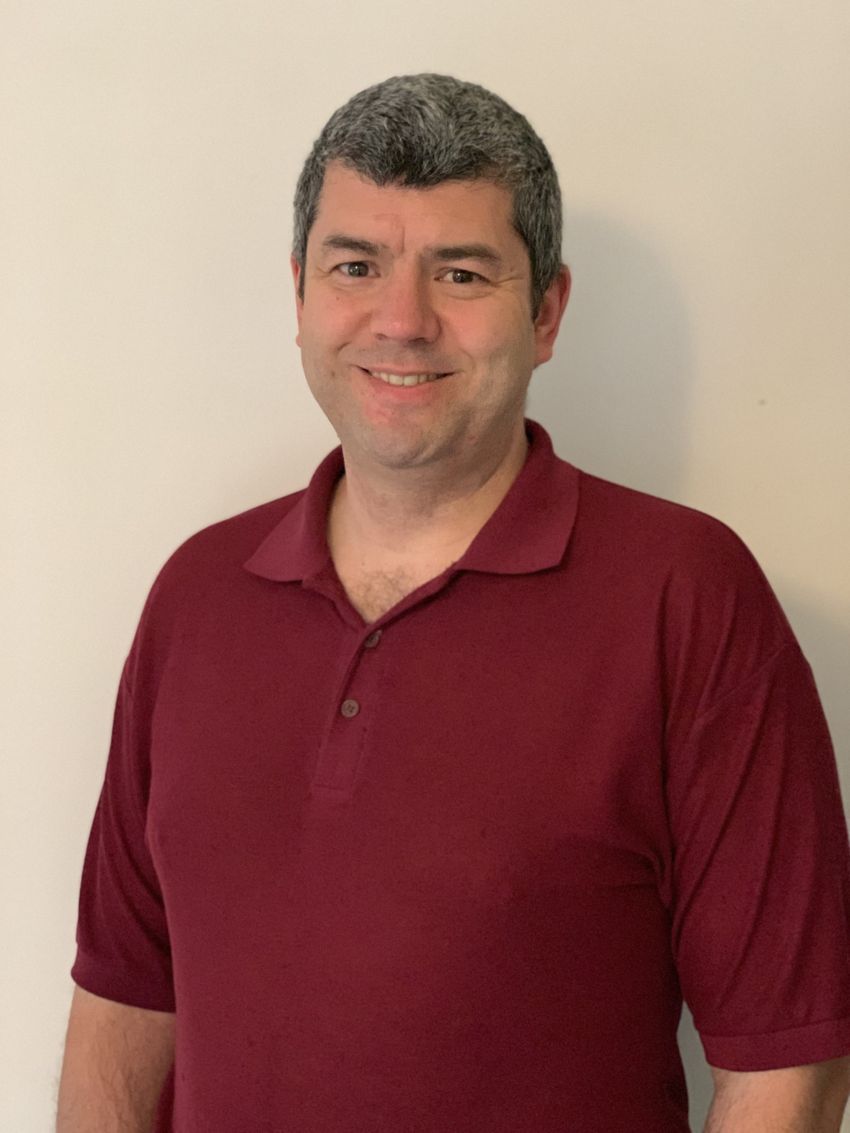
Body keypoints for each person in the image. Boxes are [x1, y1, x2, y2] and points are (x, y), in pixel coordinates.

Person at [57, 74, 850, 1132]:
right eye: (356, 265)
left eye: (461, 271)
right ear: (299, 293)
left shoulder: (687, 597)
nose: (402, 319)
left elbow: (788, 1060)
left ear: (547, 310)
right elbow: (124, 993)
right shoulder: (199, 594)